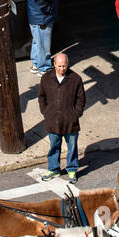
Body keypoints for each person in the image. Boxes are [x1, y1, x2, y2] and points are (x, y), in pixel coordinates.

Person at [38, 52, 86, 184]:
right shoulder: (46, 78)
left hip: (70, 121)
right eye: (59, 66)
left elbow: (81, 98)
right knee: (54, 146)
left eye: (64, 66)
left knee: (72, 147)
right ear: (54, 65)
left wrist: (76, 113)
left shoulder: (75, 79)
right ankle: (53, 168)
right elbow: (41, 97)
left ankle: (72, 169)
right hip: (52, 120)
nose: (62, 69)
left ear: (68, 65)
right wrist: (45, 111)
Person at [26, 0, 58, 75]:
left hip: (38, 17)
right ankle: (44, 68)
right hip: (42, 17)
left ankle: (35, 64)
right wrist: (49, 10)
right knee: (43, 44)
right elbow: (40, 0)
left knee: (37, 41)